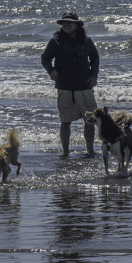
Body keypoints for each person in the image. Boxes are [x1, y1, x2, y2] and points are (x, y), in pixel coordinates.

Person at [41, 12, 100, 157]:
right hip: (64, 87)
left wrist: (94, 76)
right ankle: (65, 152)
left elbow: (95, 58)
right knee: (65, 121)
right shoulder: (56, 41)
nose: (66, 25)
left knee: (89, 121)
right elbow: (45, 58)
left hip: (84, 86)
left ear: (77, 25)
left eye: (70, 22)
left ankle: (90, 151)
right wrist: (51, 71)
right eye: (64, 22)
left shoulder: (86, 40)